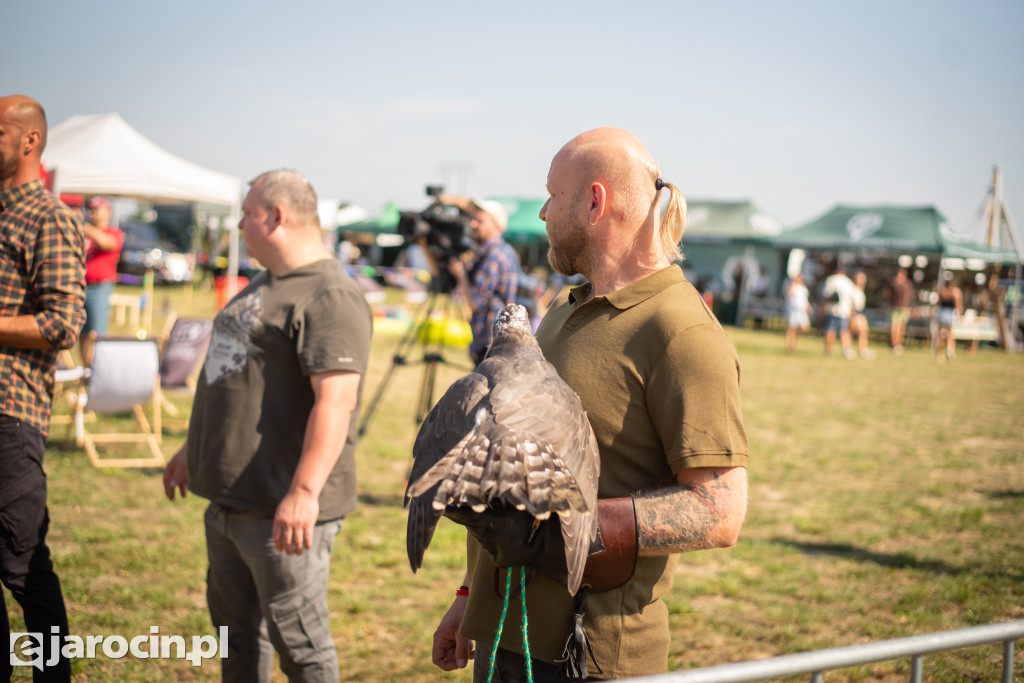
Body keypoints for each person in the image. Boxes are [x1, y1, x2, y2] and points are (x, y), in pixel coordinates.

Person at [431, 128, 749, 680]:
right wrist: (469, 598)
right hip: (501, 635)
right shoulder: (561, 310)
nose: (543, 213)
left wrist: (579, 527)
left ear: (594, 202)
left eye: (552, 197)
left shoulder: (680, 330)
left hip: (589, 656)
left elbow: (721, 511)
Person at [162, 169, 372, 682]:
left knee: (299, 646)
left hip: (281, 508)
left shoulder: (328, 295)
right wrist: (193, 449)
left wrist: (303, 493)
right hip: (232, 498)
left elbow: (336, 403)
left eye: (247, 214)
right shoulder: (267, 281)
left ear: (277, 217)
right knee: (236, 638)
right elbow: (238, 374)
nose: (239, 225)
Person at [0, 94, 85, 682]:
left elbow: (63, 324)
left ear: (29, 141)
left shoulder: (47, 216)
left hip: (10, 412)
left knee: (21, 559)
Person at [448, 198, 520, 365]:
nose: (472, 224)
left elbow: (474, 302)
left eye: (479, 221)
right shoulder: (503, 251)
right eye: (473, 219)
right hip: (500, 343)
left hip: (491, 344)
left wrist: (460, 274)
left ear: (496, 226)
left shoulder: (494, 257)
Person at [80, 195, 123, 365]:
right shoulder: (86, 234)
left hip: (99, 288)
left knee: (96, 332)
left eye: (98, 209)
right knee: (82, 333)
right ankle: (86, 369)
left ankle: (97, 368)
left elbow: (107, 243)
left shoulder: (113, 232)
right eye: (91, 210)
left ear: (108, 212)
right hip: (81, 287)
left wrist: (84, 226)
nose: (93, 213)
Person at [819, 264, 857, 359]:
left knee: (830, 330)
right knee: (844, 331)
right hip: (844, 310)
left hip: (832, 309)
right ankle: (846, 349)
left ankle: (828, 350)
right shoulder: (848, 282)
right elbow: (852, 299)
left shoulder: (831, 280)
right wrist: (852, 312)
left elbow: (825, 296)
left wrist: (822, 309)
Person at [934, 271, 963, 363]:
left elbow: (938, 303)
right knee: (947, 334)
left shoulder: (943, 291)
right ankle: (946, 351)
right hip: (947, 313)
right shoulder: (954, 291)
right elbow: (959, 304)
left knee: (944, 334)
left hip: (945, 313)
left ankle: (944, 352)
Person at [849, 271, 875, 359]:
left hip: (860, 312)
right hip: (856, 313)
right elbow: (851, 303)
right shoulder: (853, 289)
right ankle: (849, 348)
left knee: (864, 331)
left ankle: (863, 349)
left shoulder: (860, 290)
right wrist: (852, 316)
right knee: (853, 331)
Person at [887, 268, 914, 354]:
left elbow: (887, 294)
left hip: (897, 307)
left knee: (897, 327)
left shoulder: (893, 283)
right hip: (902, 307)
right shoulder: (907, 284)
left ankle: (895, 344)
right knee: (898, 327)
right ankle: (896, 344)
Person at [784, 272, 812, 352]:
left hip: (802, 310)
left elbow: (804, 299)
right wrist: (793, 284)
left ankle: (794, 339)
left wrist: (808, 306)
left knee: (805, 327)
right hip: (793, 309)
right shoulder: (791, 285)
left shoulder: (803, 288)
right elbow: (789, 294)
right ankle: (790, 344)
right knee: (792, 327)